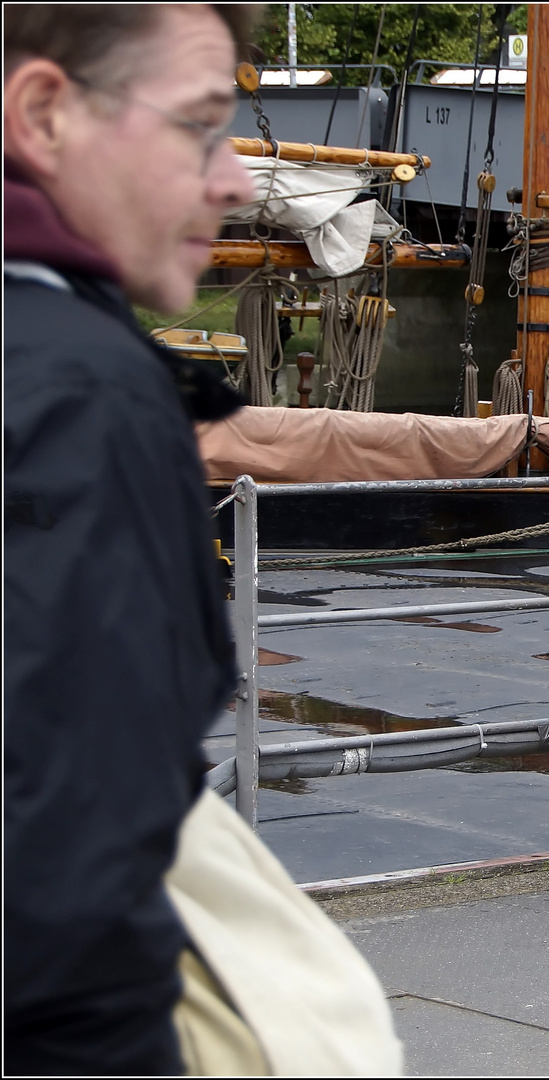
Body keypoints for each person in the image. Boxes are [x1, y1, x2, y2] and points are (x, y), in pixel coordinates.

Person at [3, 6, 257, 1073]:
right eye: (201, 126)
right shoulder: (81, 396)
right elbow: (61, 890)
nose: (236, 179)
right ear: (45, 114)